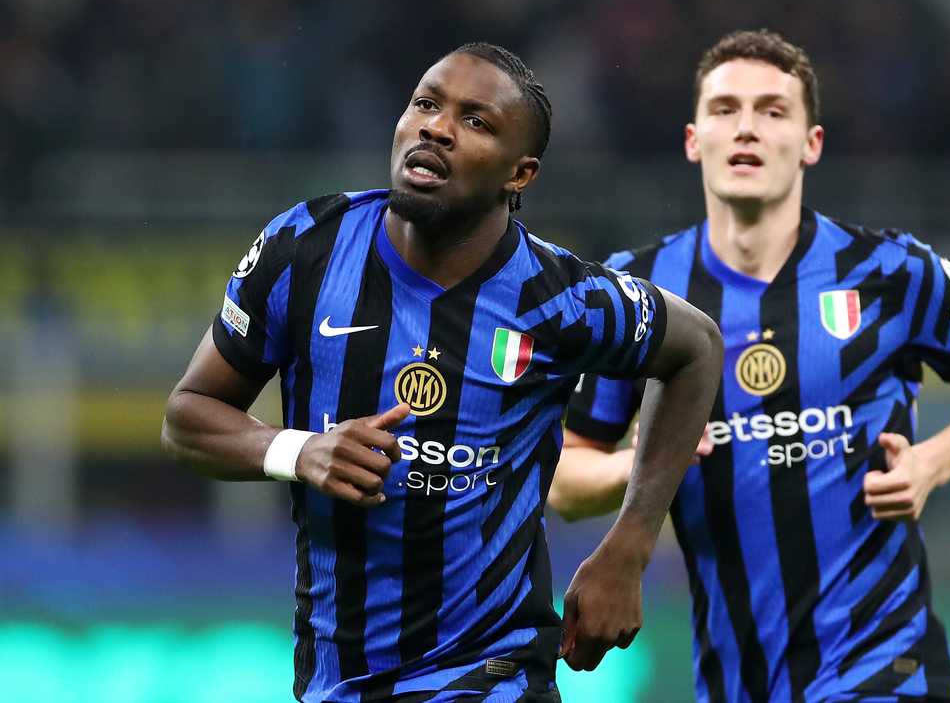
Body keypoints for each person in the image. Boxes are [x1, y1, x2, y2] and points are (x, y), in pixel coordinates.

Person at [161, 42, 723, 702]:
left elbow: (697, 346)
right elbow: (188, 418)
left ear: (521, 173)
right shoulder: (306, 248)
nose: (436, 127)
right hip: (337, 683)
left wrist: (629, 545)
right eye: (426, 103)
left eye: (475, 121)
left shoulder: (560, 297)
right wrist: (297, 449)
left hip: (494, 676)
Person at [549, 30, 950, 703]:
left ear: (811, 142)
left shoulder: (890, 273)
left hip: (886, 666)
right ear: (695, 139)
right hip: (735, 678)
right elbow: (564, 476)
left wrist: (934, 461)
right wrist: (641, 467)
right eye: (725, 109)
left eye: (772, 111)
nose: (747, 127)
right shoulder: (637, 293)